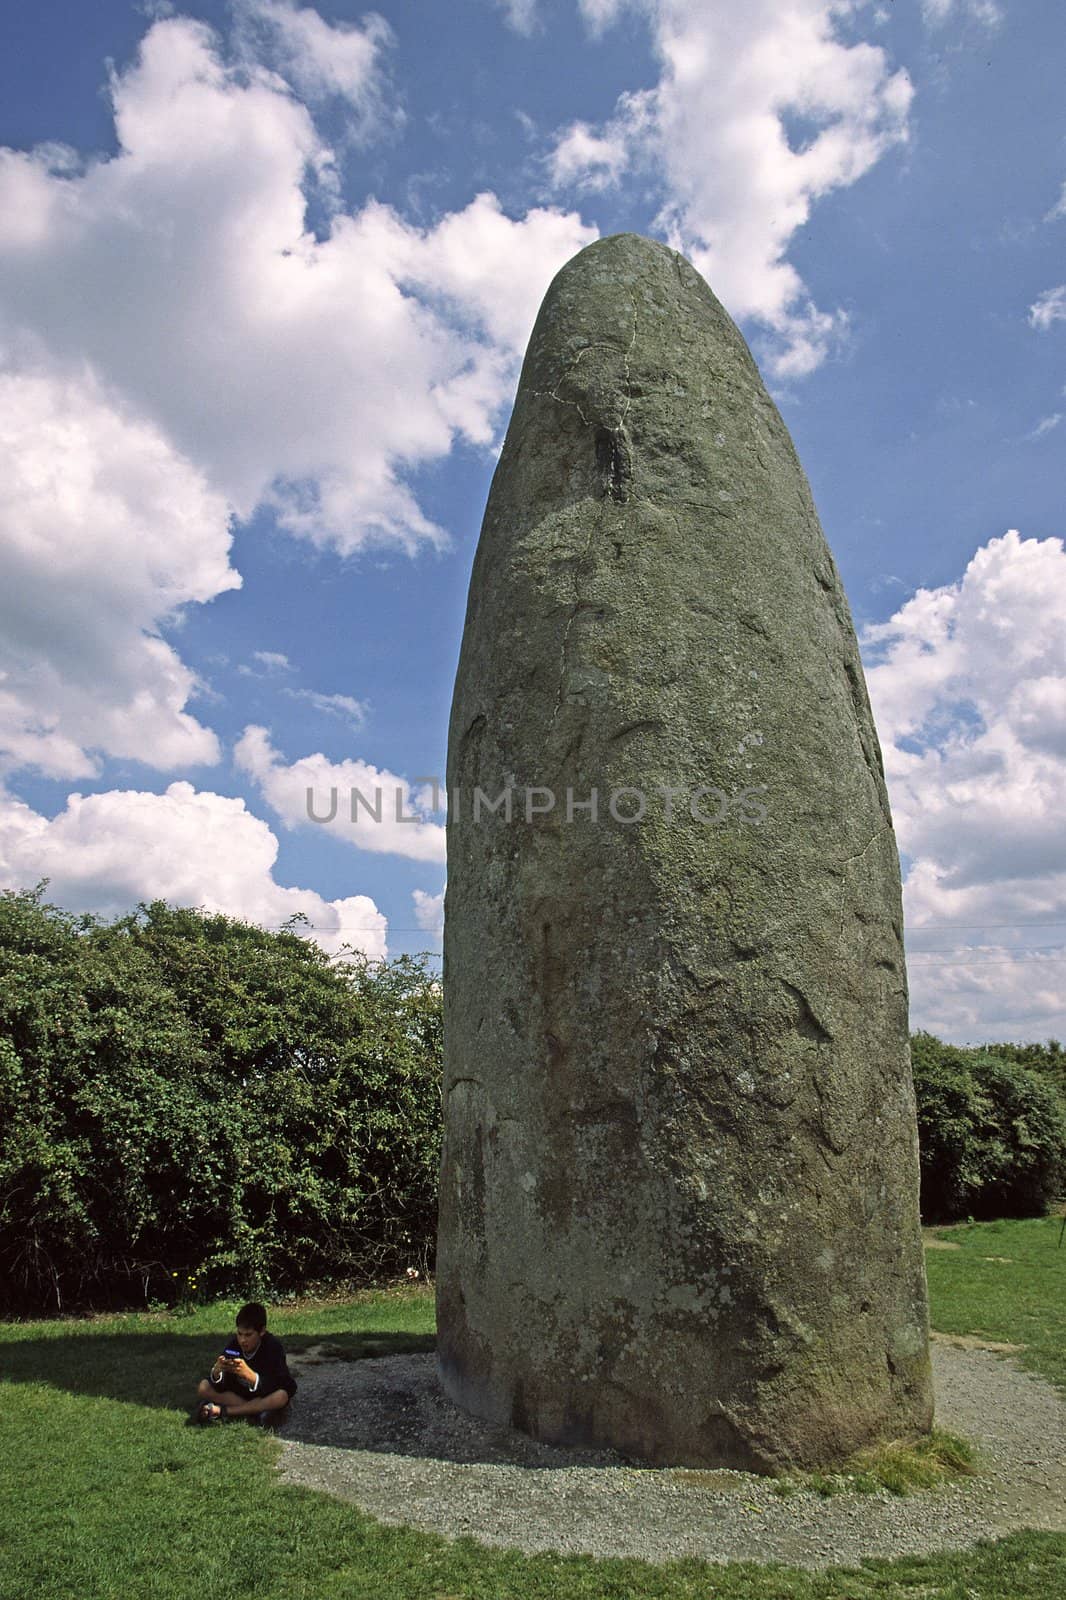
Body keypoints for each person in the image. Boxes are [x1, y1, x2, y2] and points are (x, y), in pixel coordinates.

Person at [195, 1301, 297, 1425]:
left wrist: (252, 1377)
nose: (243, 1340)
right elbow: (222, 1384)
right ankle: (257, 1412)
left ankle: (224, 1411)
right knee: (203, 1387)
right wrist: (217, 1373)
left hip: (265, 1394)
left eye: (248, 1335)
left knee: (281, 1397)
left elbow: (284, 1384)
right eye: (239, 1333)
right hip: (241, 1395)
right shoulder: (234, 1345)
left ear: (262, 1331)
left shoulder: (273, 1347)